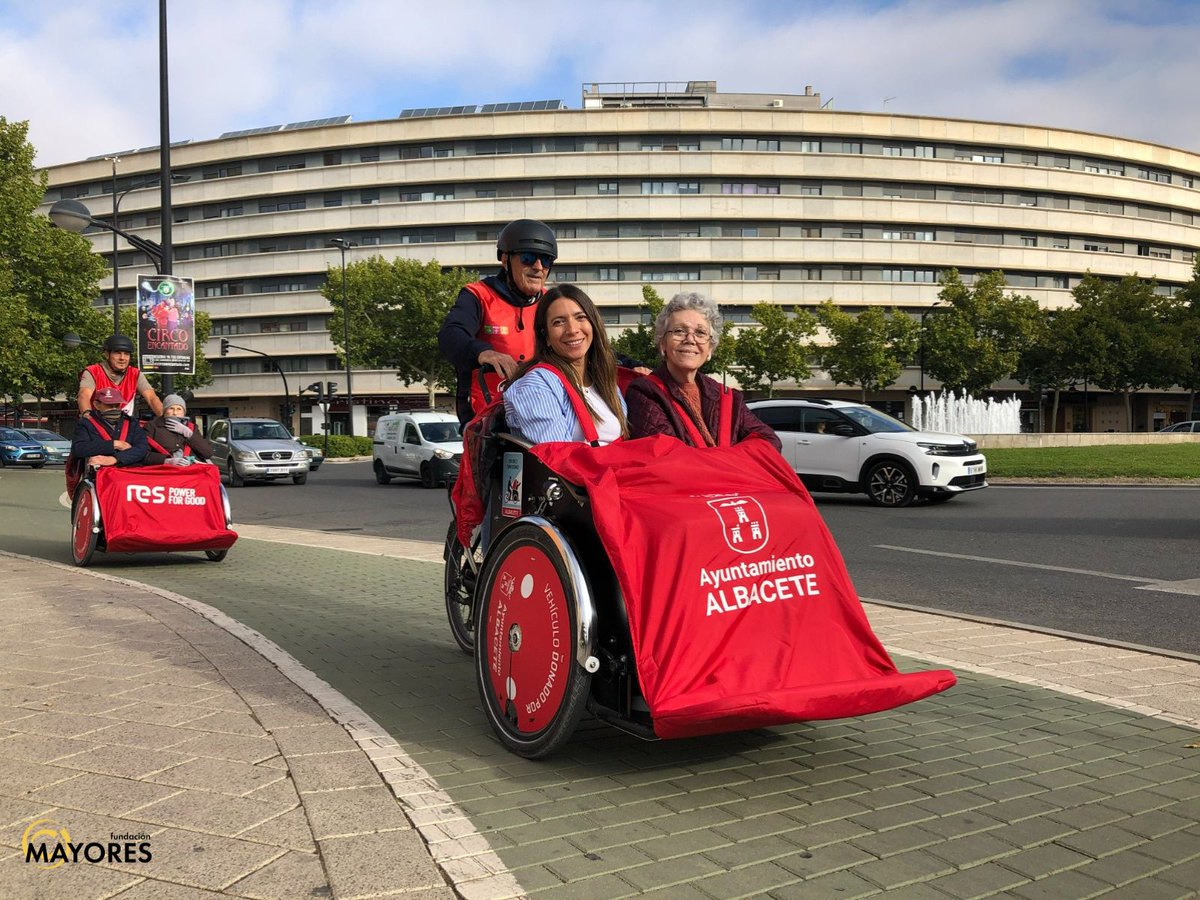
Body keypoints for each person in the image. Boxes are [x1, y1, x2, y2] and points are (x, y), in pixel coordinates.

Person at [438, 219, 559, 425]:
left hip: (539, 412)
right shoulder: (478, 295)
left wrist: (629, 364)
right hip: (486, 417)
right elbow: (451, 334)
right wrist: (484, 353)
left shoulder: (551, 303)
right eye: (528, 258)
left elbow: (579, 342)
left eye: (546, 260)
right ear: (505, 260)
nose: (538, 267)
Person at [625, 292, 781, 451]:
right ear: (662, 343)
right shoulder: (644, 392)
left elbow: (769, 442)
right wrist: (735, 460)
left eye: (700, 333)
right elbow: (668, 457)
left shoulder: (728, 397)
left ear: (710, 349)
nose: (690, 339)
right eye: (679, 331)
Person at [504, 285, 628, 446]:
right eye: (558, 322)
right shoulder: (536, 385)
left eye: (580, 317)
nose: (572, 330)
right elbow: (559, 460)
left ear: (593, 324)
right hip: (578, 471)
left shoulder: (606, 382)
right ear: (546, 336)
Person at [78, 334, 163, 420]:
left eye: (126, 354)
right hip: (97, 424)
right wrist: (87, 416)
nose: (122, 358)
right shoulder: (92, 372)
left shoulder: (135, 374)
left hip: (124, 426)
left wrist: (165, 418)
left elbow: (151, 398)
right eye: (117, 353)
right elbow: (84, 396)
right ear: (107, 354)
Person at [70, 386, 149, 470]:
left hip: (128, 470)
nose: (114, 408)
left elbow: (141, 449)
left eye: (117, 405)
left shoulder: (131, 423)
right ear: (96, 405)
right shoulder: (86, 423)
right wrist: (114, 444)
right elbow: (79, 449)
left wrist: (115, 459)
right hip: (99, 473)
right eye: (109, 405)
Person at [141, 393, 215, 466]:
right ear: (165, 410)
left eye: (179, 409)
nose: (175, 413)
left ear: (184, 412)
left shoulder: (191, 427)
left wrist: (189, 435)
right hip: (164, 472)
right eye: (171, 408)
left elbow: (208, 453)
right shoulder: (152, 426)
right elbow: (143, 454)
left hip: (189, 472)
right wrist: (166, 460)